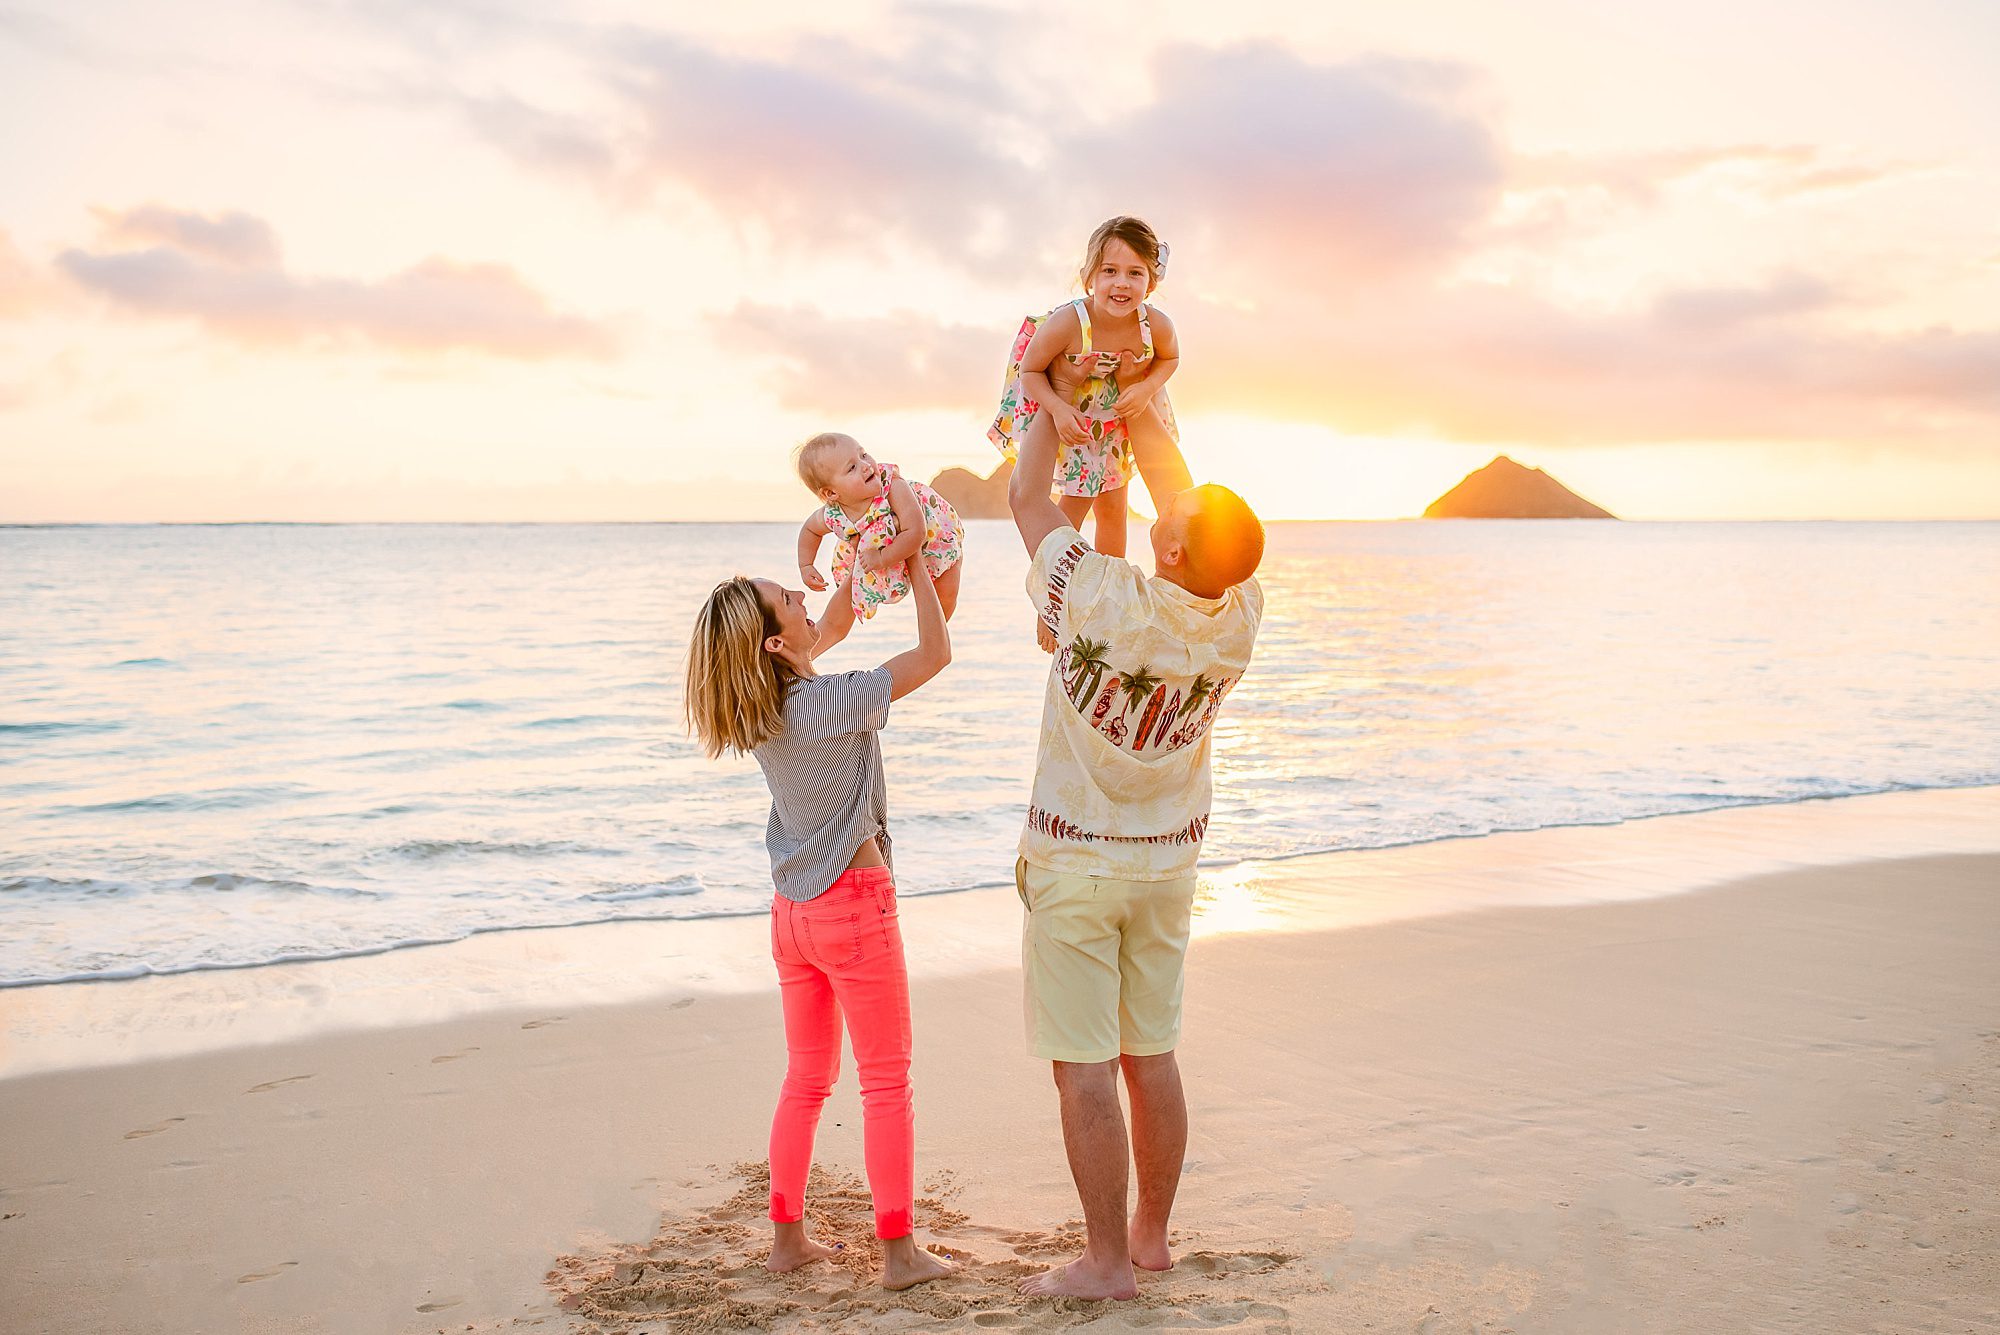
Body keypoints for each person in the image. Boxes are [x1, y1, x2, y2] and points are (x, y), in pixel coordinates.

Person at [1004, 385, 1266, 1300]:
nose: (1170, 500)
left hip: (1077, 863)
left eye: (1176, 517)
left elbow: (1027, 502)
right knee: (1149, 1058)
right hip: (1167, 866)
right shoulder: (1240, 613)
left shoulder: (1107, 595)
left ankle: (1105, 1262)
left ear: (1170, 546)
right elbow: (1182, 498)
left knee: (1083, 1072)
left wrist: (1052, 400)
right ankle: (1149, 1238)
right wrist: (1130, 385)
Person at [683, 553, 956, 1292]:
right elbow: (936, 651)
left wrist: (869, 566)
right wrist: (923, 565)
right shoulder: (828, 701)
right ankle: (899, 1255)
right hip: (854, 908)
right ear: (775, 643)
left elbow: (830, 624)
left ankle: (787, 1240)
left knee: (806, 1079)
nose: (802, 598)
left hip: (792, 914)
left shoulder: (764, 704)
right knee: (885, 1081)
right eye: (787, 600)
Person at [988, 216, 1182, 570]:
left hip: (1119, 414)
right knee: (1076, 498)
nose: (1121, 283)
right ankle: (1058, 581)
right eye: (1109, 271)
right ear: (1088, 278)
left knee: (1114, 505)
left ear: (1151, 283)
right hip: (1070, 411)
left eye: (1135, 273)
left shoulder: (1154, 325)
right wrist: (1058, 410)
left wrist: (1146, 387)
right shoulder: (1070, 323)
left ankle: (1113, 587)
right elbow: (1030, 370)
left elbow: (1170, 358)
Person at [794, 431, 964, 656]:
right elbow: (810, 530)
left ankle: (935, 640)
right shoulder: (833, 515)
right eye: (851, 467)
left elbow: (916, 532)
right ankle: (803, 658)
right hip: (874, 548)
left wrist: (882, 558)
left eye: (863, 455)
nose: (865, 465)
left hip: (932, 536)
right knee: (846, 605)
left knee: (946, 591)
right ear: (831, 493)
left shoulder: (892, 486)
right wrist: (806, 565)